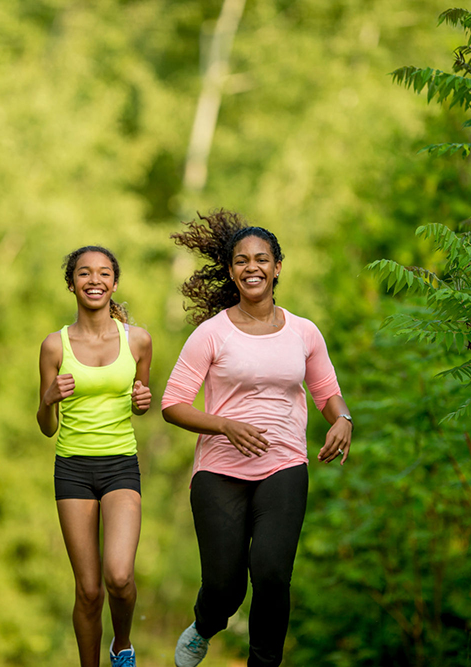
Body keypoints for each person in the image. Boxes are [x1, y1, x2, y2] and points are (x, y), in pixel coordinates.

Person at [161, 211, 353, 667]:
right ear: (231, 271)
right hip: (219, 472)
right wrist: (224, 424)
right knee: (226, 587)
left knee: (270, 574)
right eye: (242, 261)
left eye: (262, 259)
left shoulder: (304, 332)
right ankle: (206, 624)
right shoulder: (211, 334)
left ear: (277, 267)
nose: (253, 267)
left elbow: (328, 393)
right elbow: (173, 404)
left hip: (285, 464)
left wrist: (342, 419)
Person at [37, 246, 153, 667]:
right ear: (72, 284)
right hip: (72, 469)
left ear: (115, 283)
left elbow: (141, 403)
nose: (94, 280)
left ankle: (122, 644)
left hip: (120, 463)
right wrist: (48, 400)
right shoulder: (54, 346)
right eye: (84, 273)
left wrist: (142, 402)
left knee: (119, 576)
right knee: (88, 590)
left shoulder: (137, 341)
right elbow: (47, 426)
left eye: (104, 273)